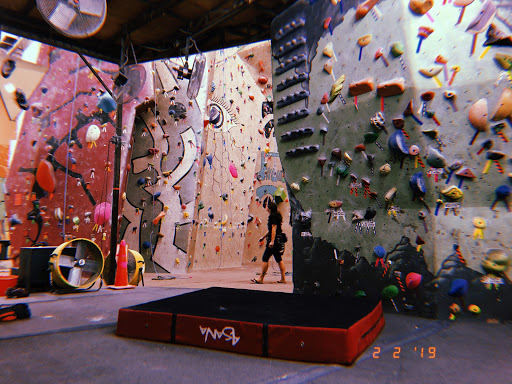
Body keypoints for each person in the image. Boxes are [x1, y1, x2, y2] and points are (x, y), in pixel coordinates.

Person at [251, 200, 286, 284]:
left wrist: (272, 241)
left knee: (265, 258)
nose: (265, 207)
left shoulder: (272, 216)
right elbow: (271, 230)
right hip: (278, 239)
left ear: (269, 208)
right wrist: (263, 237)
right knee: (279, 259)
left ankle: (261, 278)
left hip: (273, 241)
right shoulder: (277, 215)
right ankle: (283, 278)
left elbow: (273, 228)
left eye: (266, 206)